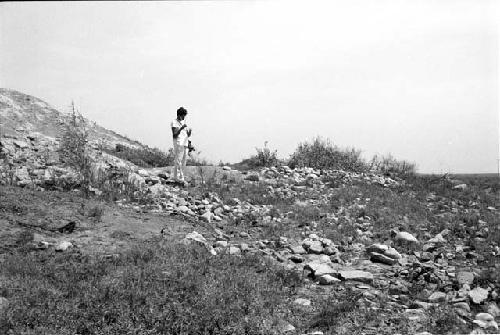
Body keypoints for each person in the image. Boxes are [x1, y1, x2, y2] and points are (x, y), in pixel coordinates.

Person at [171, 107, 192, 184]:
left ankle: (181, 177)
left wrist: (189, 133)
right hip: (179, 143)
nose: (184, 117)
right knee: (178, 161)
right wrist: (181, 128)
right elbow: (175, 135)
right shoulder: (174, 122)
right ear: (179, 115)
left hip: (185, 144)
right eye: (183, 116)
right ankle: (177, 178)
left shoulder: (183, 123)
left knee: (184, 162)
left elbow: (186, 135)